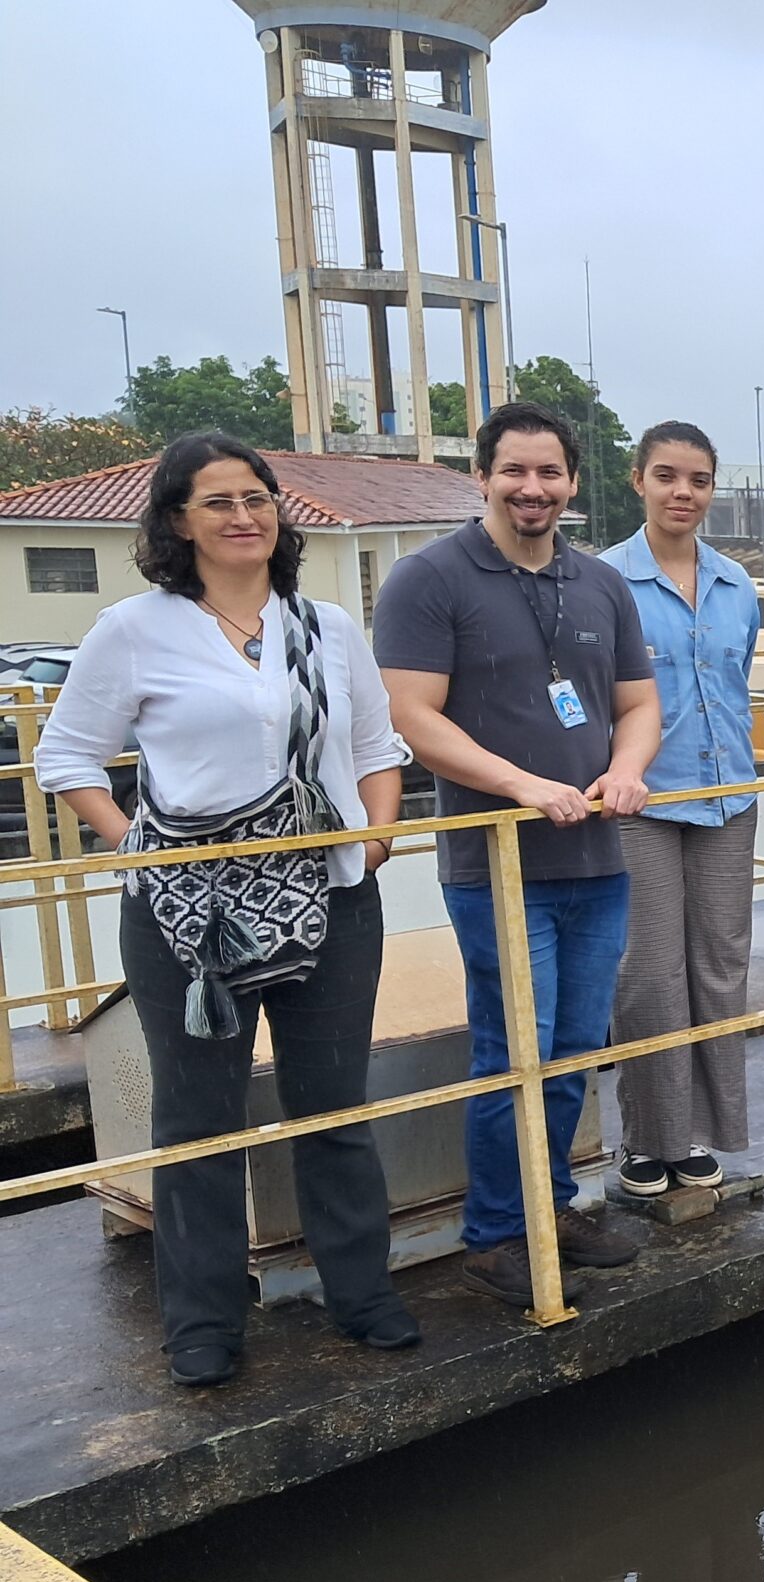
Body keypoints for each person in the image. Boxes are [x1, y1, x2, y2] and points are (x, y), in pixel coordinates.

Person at [37, 433, 419, 1386]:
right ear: (177, 520)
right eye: (218, 501)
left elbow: (378, 744)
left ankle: (361, 1295)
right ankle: (202, 1322)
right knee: (198, 1118)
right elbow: (68, 757)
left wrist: (371, 839)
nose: (244, 515)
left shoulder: (325, 624)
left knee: (332, 1104)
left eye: (257, 496)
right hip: (186, 920)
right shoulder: (135, 628)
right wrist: (137, 847)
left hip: (329, 898)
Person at [375, 403, 660, 1310]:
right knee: (515, 1047)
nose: (532, 489)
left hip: (597, 858)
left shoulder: (599, 582)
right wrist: (524, 785)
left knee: (577, 1045)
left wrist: (624, 768)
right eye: (514, 472)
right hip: (496, 861)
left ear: (573, 482)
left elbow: (637, 702)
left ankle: (553, 1200)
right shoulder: (430, 578)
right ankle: (499, 1231)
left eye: (549, 474)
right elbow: (415, 717)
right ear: (483, 475)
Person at [599, 421, 763, 1196]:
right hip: (644, 802)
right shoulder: (603, 582)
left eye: (697, 479)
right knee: (650, 974)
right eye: (666, 476)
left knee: (721, 970)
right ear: (639, 480)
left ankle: (703, 1134)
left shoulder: (735, 585)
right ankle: (646, 1139)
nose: (682, 493)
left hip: (728, 799)